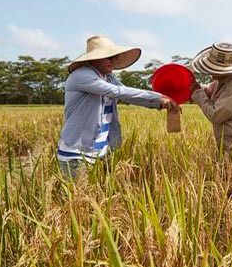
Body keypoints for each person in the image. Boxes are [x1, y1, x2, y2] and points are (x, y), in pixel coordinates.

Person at [57, 35, 178, 179]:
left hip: (100, 152)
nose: (113, 61)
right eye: (108, 57)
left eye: (114, 57)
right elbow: (118, 91)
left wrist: (160, 103)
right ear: (94, 58)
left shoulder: (108, 78)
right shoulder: (82, 75)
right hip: (77, 153)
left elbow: (127, 95)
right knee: (79, 198)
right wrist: (157, 96)